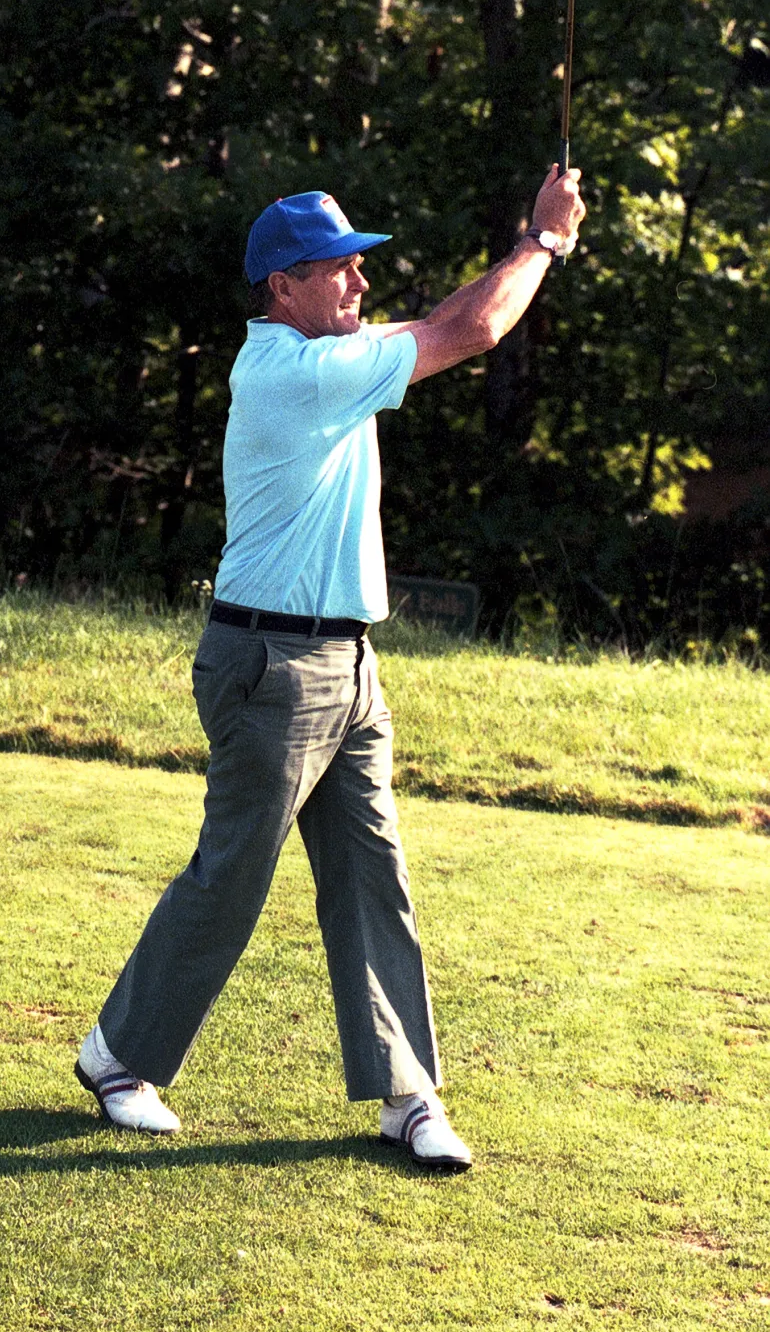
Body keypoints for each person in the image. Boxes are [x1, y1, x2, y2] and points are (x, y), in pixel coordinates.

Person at [76, 164, 585, 1167]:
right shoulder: (295, 374)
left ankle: (408, 1093)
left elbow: (436, 321)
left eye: (358, 264)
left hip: (347, 661)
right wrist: (544, 241)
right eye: (337, 268)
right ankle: (117, 1055)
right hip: (269, 660)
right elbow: (472, 330)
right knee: (234, 875)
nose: (358, 280)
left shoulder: (327, 351)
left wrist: (519, 256)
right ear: (283, 287)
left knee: (371, 874)